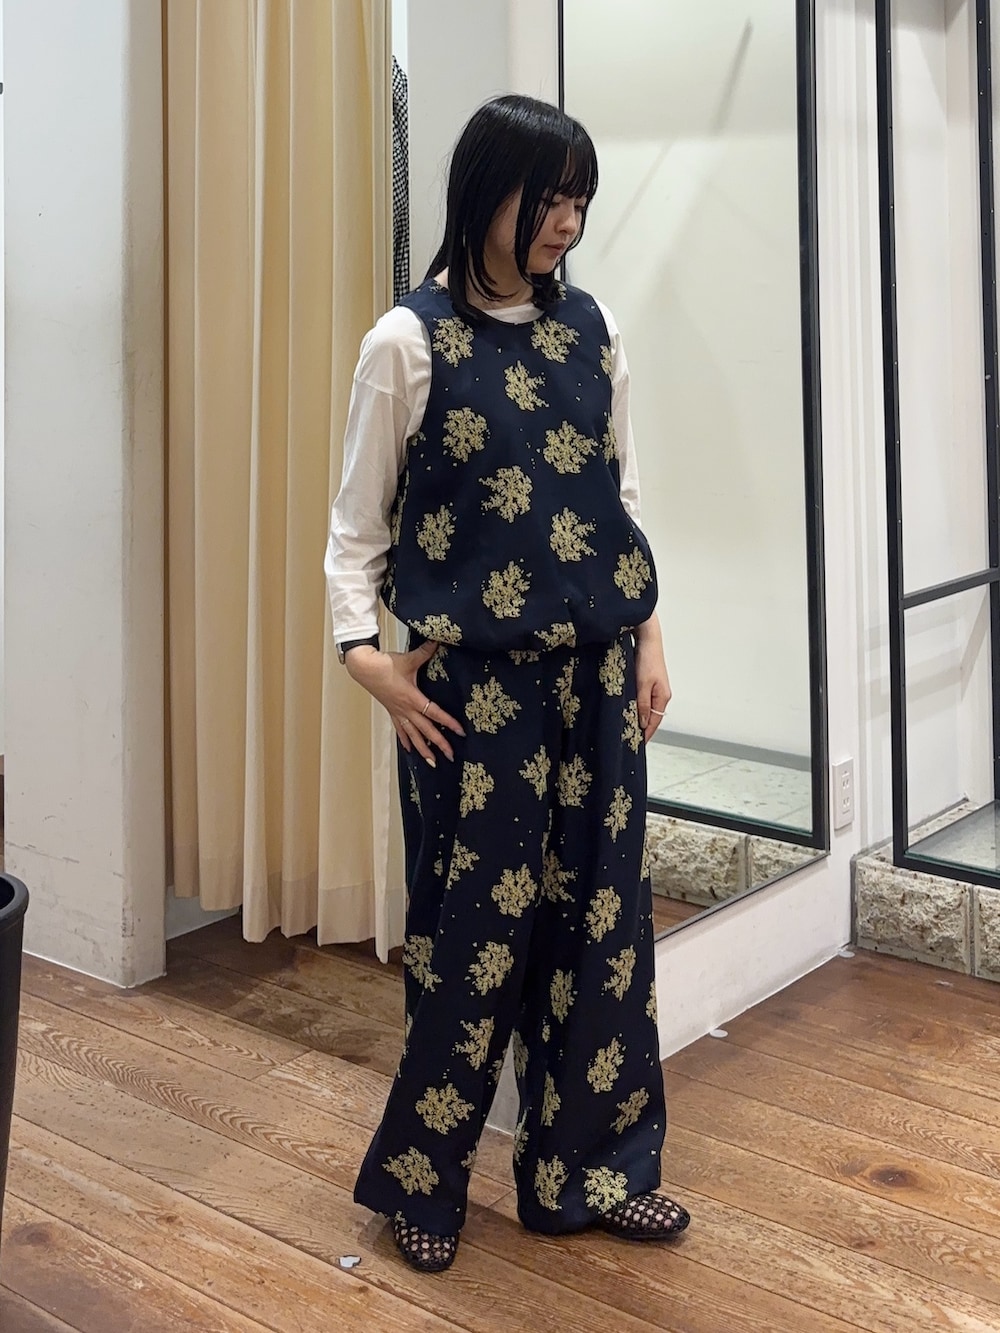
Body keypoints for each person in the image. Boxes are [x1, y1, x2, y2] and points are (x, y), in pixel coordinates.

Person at [325, 93, 689, 1274]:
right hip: (472, 697)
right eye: (549, 198)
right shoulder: (407, 342)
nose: (567, 221)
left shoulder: (593, 328)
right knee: (469, 935)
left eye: (579, 199)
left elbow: (616, 496)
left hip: (597, 680)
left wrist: (647, 632)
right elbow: (355, 532)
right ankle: (423, 1182)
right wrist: (368, 662)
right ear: (488, 192)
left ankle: (594, 1168)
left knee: (603, 930)